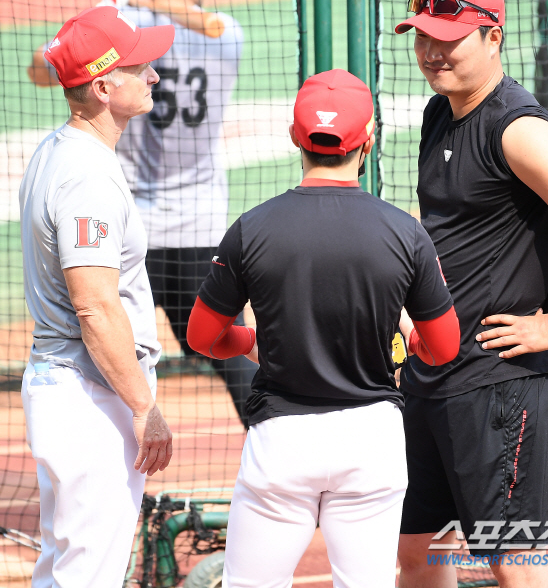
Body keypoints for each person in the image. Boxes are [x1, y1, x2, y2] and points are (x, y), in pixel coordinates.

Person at [393, 0, 548, 587]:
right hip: (432, 372)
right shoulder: (439, 114)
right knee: (420, 551)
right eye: (422, 37)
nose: (430, 51)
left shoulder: (518, 128)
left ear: (492, 37)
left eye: (448, 38)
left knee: (512, 560)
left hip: (497, 382)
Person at [185, 69, 461, 588]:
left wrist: (252, 343)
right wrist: (407, 337)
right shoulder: (406, 232)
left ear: (296, 137)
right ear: (369, 139)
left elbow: (202, 337)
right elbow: (443, 348)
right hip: (371, 440)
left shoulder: (253, 227)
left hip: (281, 442)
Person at [27, 0, 256, 428]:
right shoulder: (226, 36)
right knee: (227, 353)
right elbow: (206, 22)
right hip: (194, 228)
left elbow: (42, 68)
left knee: (105, 349)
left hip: (124, 230)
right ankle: (276, 448)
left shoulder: (123, 33)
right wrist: (132, 8)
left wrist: (115, 8)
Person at [20, 6, 175, 588]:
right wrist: (143, 408)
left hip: (71, 385)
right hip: (91, 394)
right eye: (142, 66)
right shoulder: (87, 174)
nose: (155, 75)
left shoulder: (60, 149)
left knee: (66, 565)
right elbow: (95, 305)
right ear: (105, 85)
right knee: (91, 571)